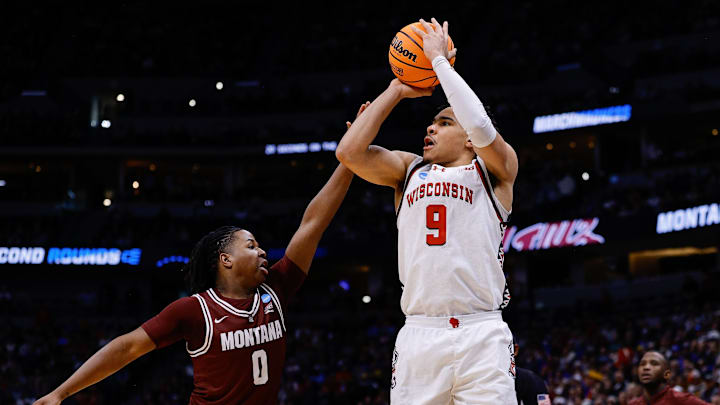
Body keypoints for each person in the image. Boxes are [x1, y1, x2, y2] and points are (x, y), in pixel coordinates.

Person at [33, 152, 359, 402]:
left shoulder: (277, 286)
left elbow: (313, 222)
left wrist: (348, 160)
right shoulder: (194, 310)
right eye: (251, 245)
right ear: (226, 259)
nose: (262, 252)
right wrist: (61, 393)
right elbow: (127, 348)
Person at [336, 17, 518, 405]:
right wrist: (397, 89)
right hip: (420, 333)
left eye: (444, 122)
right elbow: (348, 153)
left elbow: (482, 125)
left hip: (482, 332)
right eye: (431, 123)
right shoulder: (408, 168)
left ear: (468, 138)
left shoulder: (496, 170)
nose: (431, 129)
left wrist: (439, 65)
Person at [628, 351, 709, 405]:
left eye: (654, 363)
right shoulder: (633, 404)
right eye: (642, 364)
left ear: (666, 374)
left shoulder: (682, 400)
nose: (646, 367)